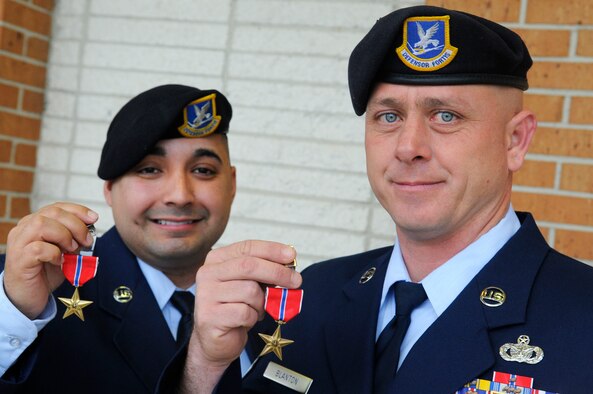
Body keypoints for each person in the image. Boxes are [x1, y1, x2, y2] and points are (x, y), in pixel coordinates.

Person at [162, 5, 593, 394]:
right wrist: (204, 363)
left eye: (446, 116)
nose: (409, 147)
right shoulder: (313, 296)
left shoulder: (583, 318)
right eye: (389, 116)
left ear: (515, 140)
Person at [0, 84, 246, 393]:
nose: (180, 195)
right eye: (150, 170)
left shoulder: (267, 309)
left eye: (203, 170)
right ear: (110, 189)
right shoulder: (26, 292)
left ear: (232, 184)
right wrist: (14, 314)